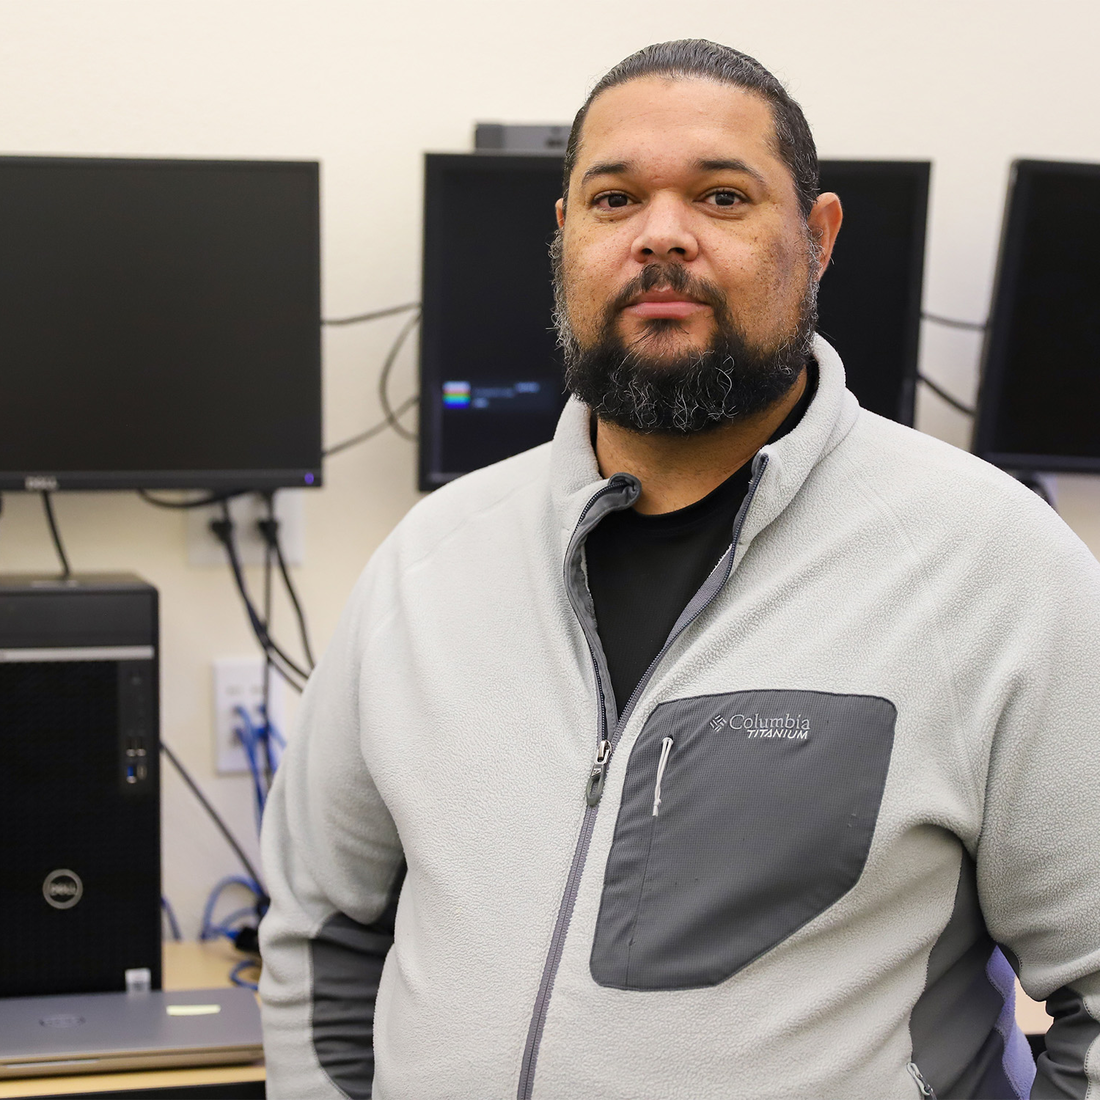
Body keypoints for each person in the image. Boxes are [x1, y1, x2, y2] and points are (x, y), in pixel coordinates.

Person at [259, 39, 1100, 1100]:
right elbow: (319, 935)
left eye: (720, 195)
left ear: (817, 235)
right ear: (566, 239)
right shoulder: (425, 565)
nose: (661, 235)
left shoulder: (994, 567)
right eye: (613, 200)